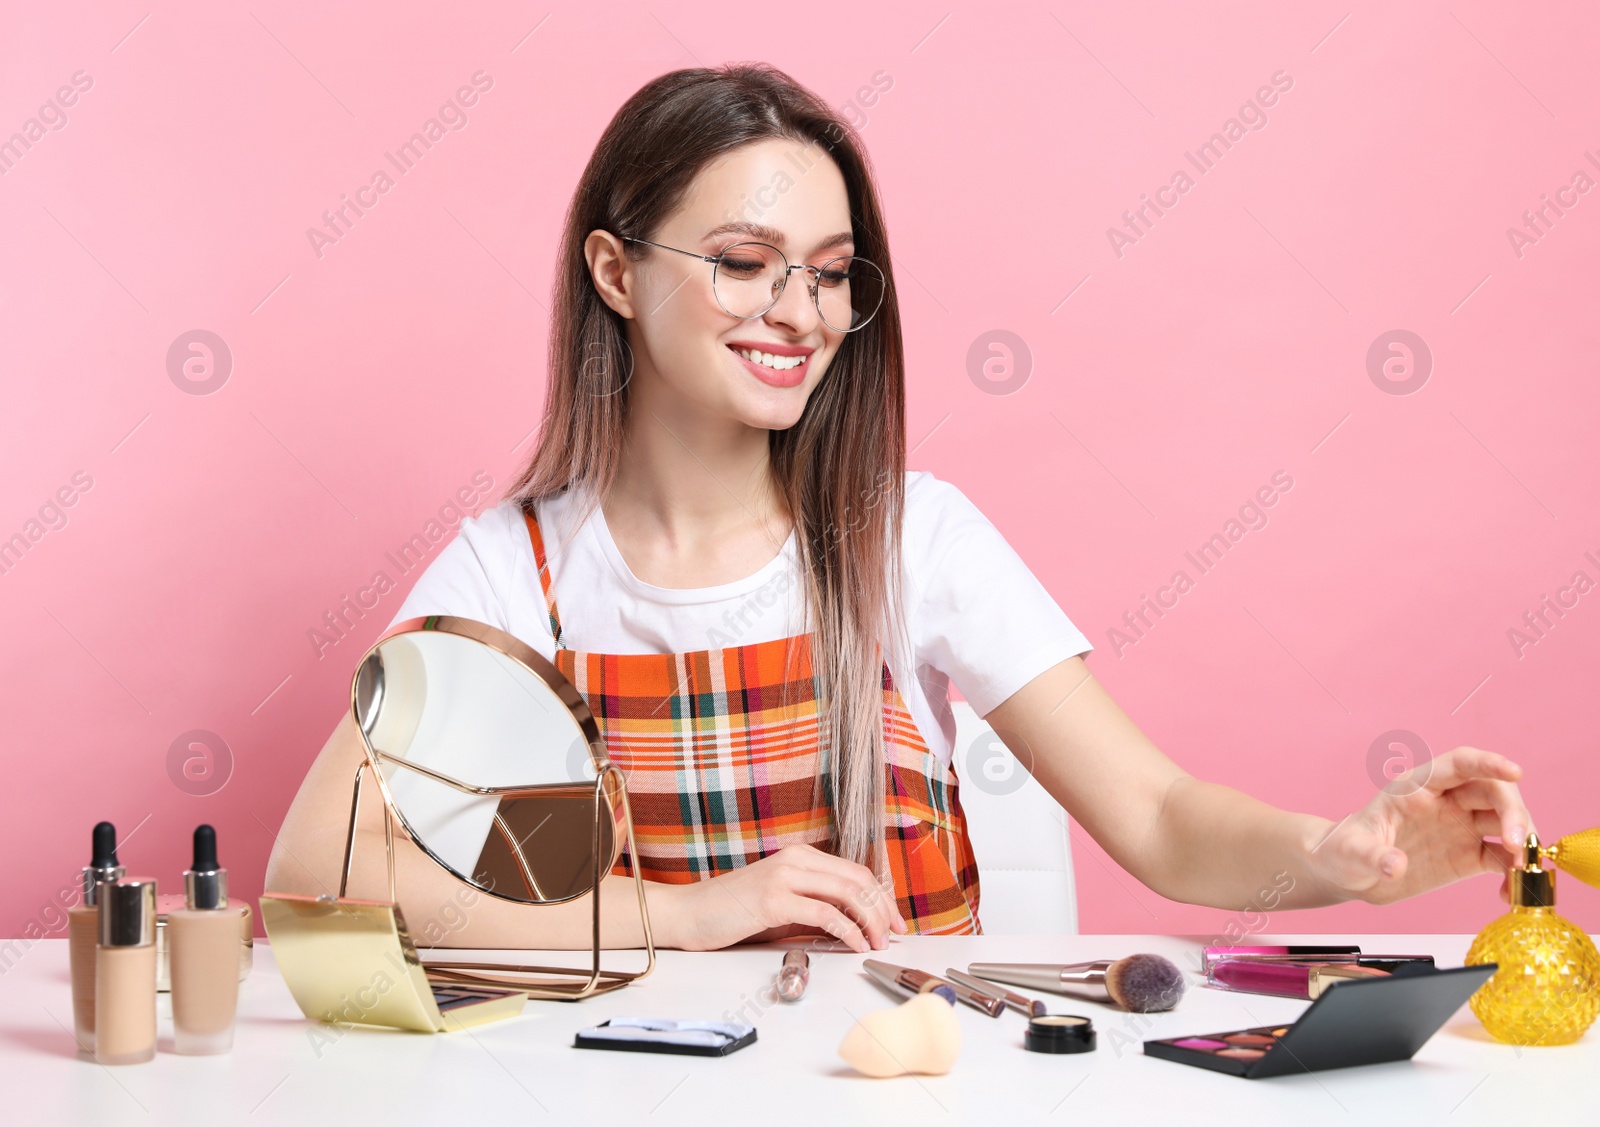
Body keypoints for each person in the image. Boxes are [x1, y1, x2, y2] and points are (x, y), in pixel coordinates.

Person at [267, 63, 1531, 954]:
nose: (798, 313)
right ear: (614, 270)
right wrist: (695, 911)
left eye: (826, 275)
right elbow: (312, 879)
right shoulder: (512, 571)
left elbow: (1157, 819)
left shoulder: (907, 538)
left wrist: (1340, 854)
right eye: (743, 264)